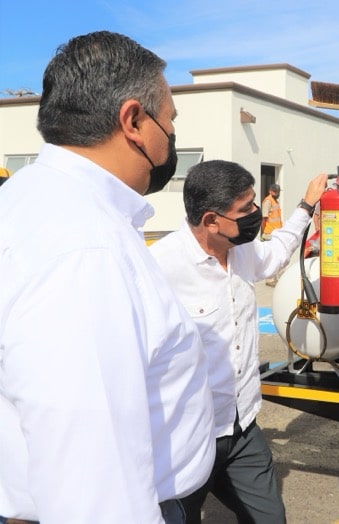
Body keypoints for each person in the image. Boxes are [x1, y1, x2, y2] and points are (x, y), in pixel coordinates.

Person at [0, 31, 215, 523]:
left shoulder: (30, 200)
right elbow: (89, 477)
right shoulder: (85, 248)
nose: (171, 138)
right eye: (170, 121)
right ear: (134, 121)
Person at [150, 160, 327, 523]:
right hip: (186, 439)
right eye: (245, 209)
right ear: (211, 220)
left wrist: (307, 205)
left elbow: (277, 251)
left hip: (241, 427)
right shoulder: (159, 267)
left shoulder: (241, 250)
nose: (256, 215)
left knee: (269, 518)